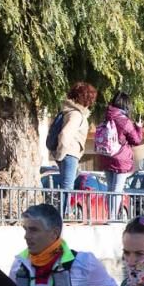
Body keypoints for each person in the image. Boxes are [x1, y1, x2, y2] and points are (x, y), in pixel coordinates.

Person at [52, 82, 97, 216]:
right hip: (69, 153)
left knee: (67, 184)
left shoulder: (69, 112)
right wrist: (61, 154)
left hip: (67, 153)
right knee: (67, 185)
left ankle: (65, 212)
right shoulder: (76, 115)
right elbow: (65, 134)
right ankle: (65, 214)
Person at [99, 91, 144, 219]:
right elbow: (136, 140)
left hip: (106, 156)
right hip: (120, 159)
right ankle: (113, 218)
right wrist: (139, 127)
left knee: (110, 188)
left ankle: (109, 216)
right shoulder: (124, 121)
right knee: (117, 189)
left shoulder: (106, 117)